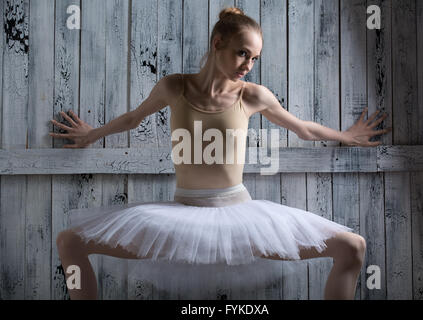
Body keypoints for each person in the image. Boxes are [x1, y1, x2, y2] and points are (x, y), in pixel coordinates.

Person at [49, 7, 391, 300]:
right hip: (181, 216)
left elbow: (302, 128)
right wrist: (91, 135)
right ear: (218, 44)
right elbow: (132, 118)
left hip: (239, 215)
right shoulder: (174, 86)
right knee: (70, 241)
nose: (248, 65)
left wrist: (346, 136)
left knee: (352, 246)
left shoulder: (253, 95)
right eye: (243, 53)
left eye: (255, 58)